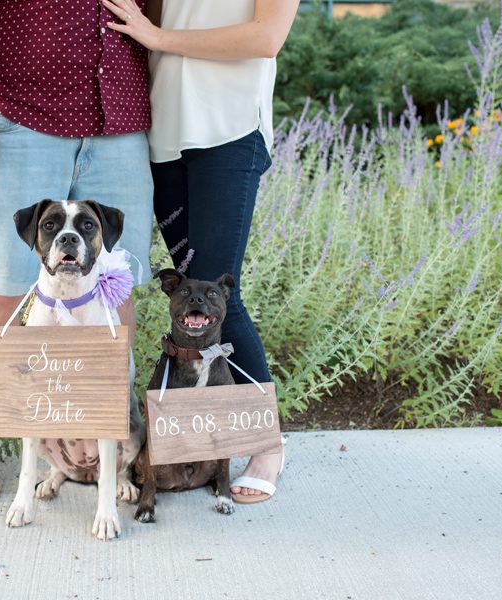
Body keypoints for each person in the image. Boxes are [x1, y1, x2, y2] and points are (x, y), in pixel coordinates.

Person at [0, 0, 155, 500]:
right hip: (18, 116)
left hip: (118, 117)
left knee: (114, 289)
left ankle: (97, 437)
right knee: (4, 288)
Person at [103, 0, 300, 503]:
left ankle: (267, 445)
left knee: (216, 295)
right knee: (195, 297)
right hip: (165, 137)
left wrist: (158, 37)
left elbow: (264, 37)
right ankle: (199, 440)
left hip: (228, 130)